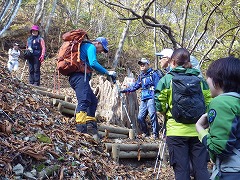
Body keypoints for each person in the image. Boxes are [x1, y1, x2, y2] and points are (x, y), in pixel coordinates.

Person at [155, 48, 211, 180]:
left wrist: (166, 113)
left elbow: (159, 104)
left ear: (172, 62)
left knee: (181, 170)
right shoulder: (200, 80)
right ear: (189, 62)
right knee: (201, 169)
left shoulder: (167, 80)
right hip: (199, 131)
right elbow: (209, 102)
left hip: (176, 131)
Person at [196, 57, 240, 180]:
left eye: (208, 78)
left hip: (230, 172)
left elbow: (219, 149)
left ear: (218, 80)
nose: (207, 81)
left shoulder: (221, 102)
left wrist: (200, 130)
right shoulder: (236, 101)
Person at [69, 37, 116, 136]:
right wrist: (107, 72)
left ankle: (90, 126)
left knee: (93, 100)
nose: (101, 51)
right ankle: (80, 129)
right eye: (102, 49)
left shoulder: (85, 46)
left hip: (78, 77)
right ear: (98, 43)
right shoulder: (91, 47)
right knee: (84, 100)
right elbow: (93, 63)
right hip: (80, 77)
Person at [120, 58, 161, 139]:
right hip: (144, 98)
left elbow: (158, 86)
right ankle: (146, 133)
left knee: (152, 114)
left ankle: (155, 134)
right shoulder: (141, 76)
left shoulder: (153, 74)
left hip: (151, 97)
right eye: (141, 65)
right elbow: (135, 86)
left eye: (143, 64)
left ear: (148, 64)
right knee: (140, 117)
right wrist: (125, 90)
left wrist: (157, 98)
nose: (142, 66)